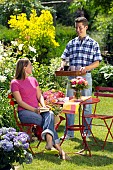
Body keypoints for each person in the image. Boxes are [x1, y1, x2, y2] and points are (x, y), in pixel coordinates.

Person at [10, 58, 70, 160]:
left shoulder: (33, 80)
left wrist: (43, 106)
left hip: (38, 110)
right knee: (46, 121)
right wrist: (34, 110)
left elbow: (40, 96)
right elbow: (20, 102)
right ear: (24, 68)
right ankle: (60, 151)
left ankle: (50, 143)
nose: (31, 67)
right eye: (30, 65)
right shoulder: (15, 83)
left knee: (50, 114)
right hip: (25, 113)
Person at [59, 16, 102, 140]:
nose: (78, 30)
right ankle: (70, 133)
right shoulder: (71, 43)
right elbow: (64, 58)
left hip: (85, 77)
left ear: (86, 27)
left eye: (80, 27)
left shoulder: (93, 43)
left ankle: (87, 132)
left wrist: (87, 68)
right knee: (69, 104)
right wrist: (62, 66)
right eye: (76, 28)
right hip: (71, 77)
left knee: (86, 104)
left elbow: (97, 62)